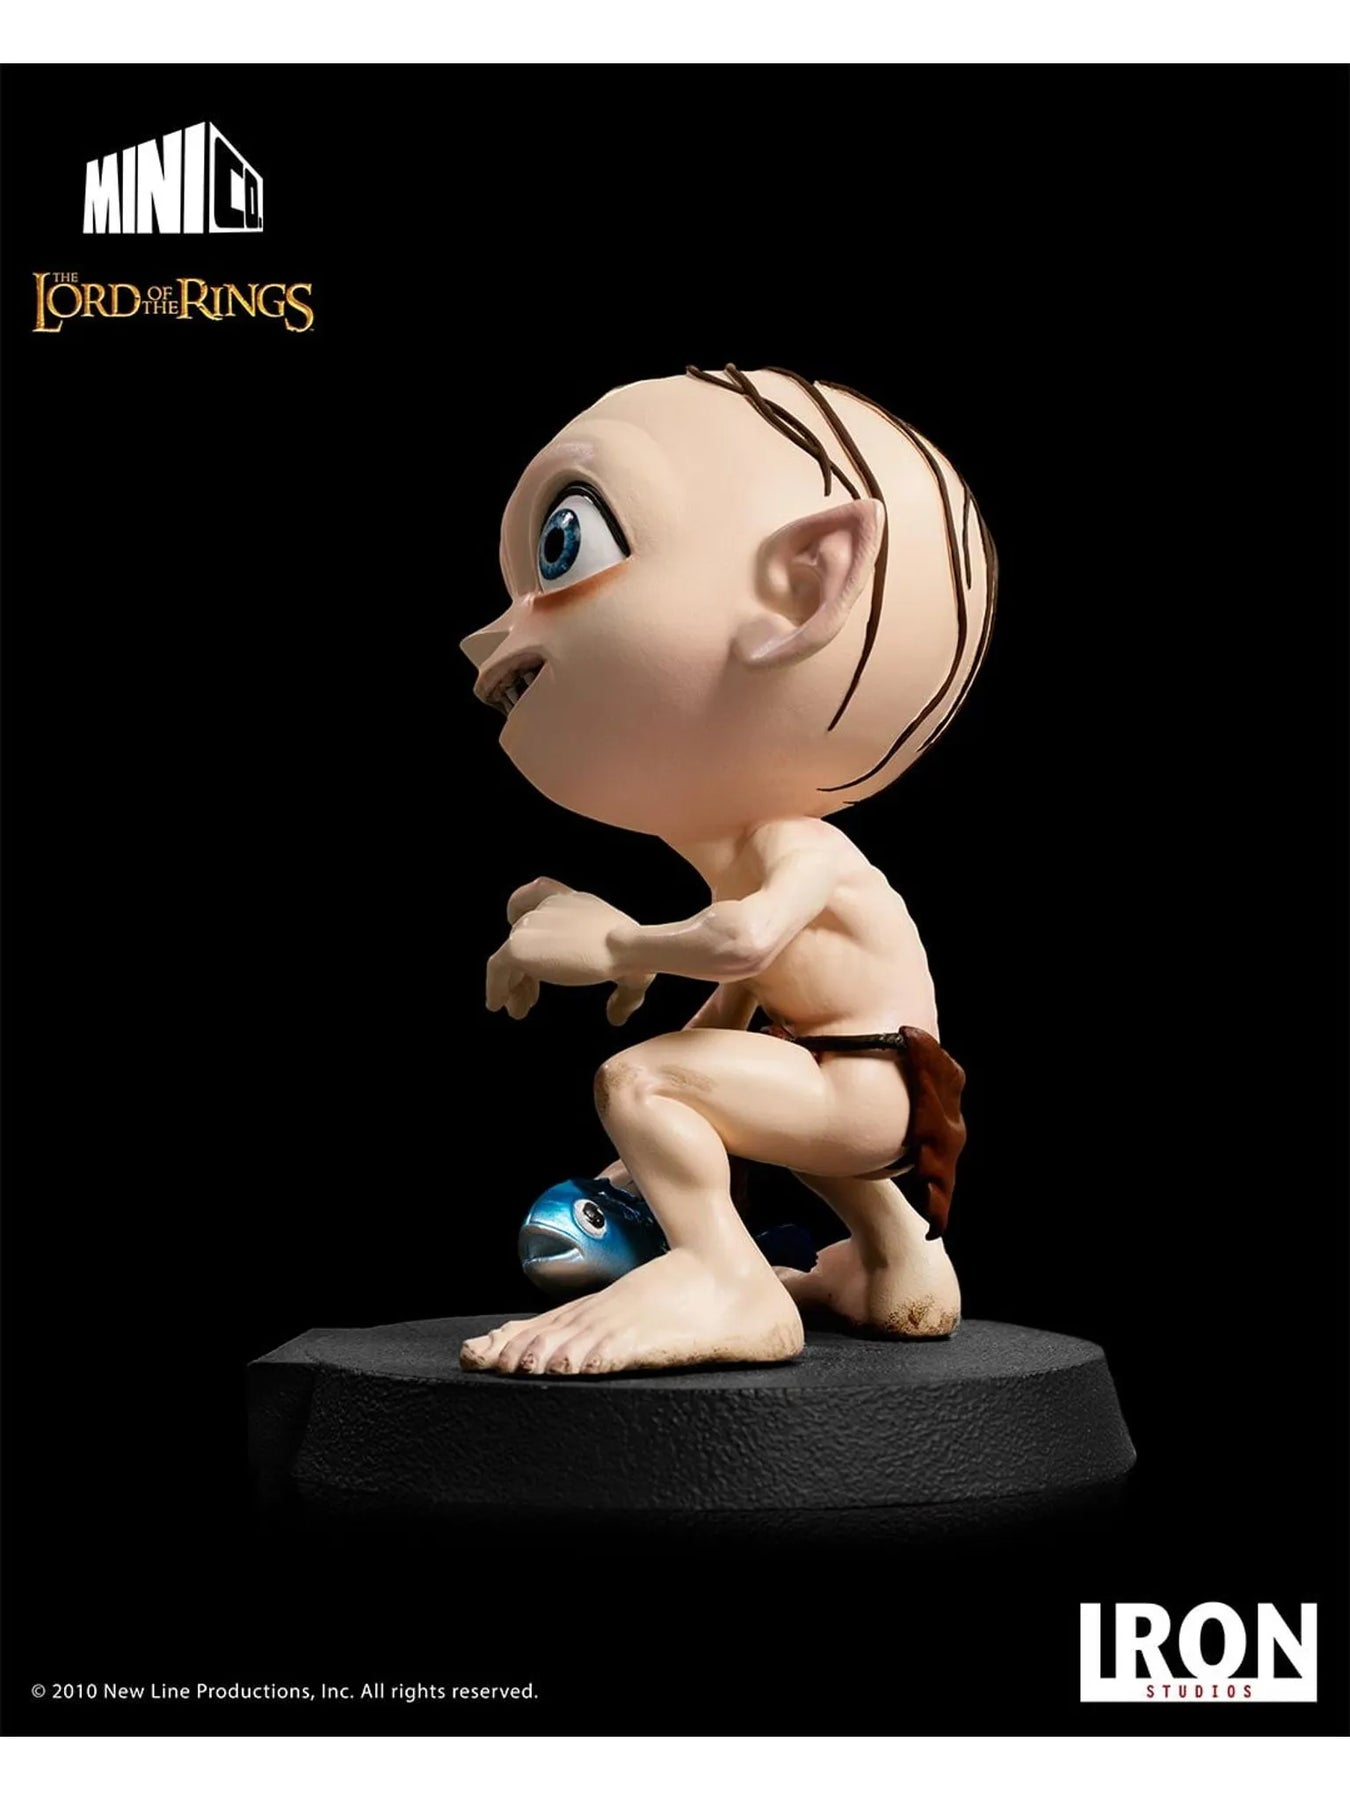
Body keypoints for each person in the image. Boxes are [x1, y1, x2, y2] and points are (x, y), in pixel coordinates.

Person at [459, 365, 996, 1376]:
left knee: (636, 1077)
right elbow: (737, 1000)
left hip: (869, 1092)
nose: (488, 634)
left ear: (807, 586)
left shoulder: (803, 848)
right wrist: (648, 1146)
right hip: (856, 1088)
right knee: (708, 1084)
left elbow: (745, 941)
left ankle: (724, 1278)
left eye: (564, 543)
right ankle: (899, 1266)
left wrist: (616, 945)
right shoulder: (754, 856)